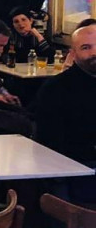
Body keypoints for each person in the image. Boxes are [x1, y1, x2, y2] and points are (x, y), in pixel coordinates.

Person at [36, 24, 96, 204]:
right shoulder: (56, 89)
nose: (94, 52)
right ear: (73, 54)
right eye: (86, 47)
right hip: (79, 170)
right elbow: (52, 144)